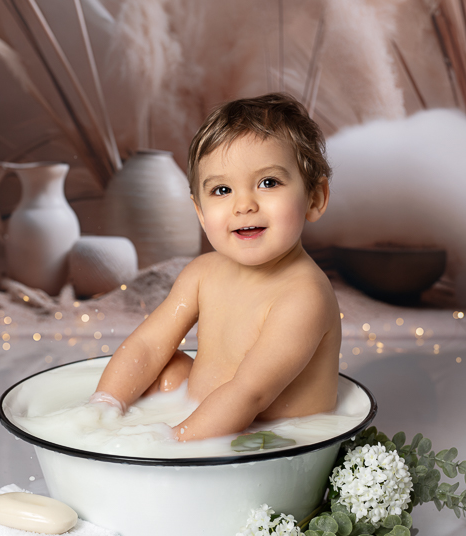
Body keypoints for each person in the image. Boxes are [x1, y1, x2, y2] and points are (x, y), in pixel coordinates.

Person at [92, 93, 341, 442]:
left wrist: (172, 442)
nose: (243, 205)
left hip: (270, 440)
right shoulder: (202, 273)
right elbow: (147, 345)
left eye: (268, 182)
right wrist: (102, 407)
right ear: (200, 213)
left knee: (238, 406)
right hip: (205, 414)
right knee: (164, 366)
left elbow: (249, 393)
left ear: (314, 198)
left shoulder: (303, 296)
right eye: (222, 190)